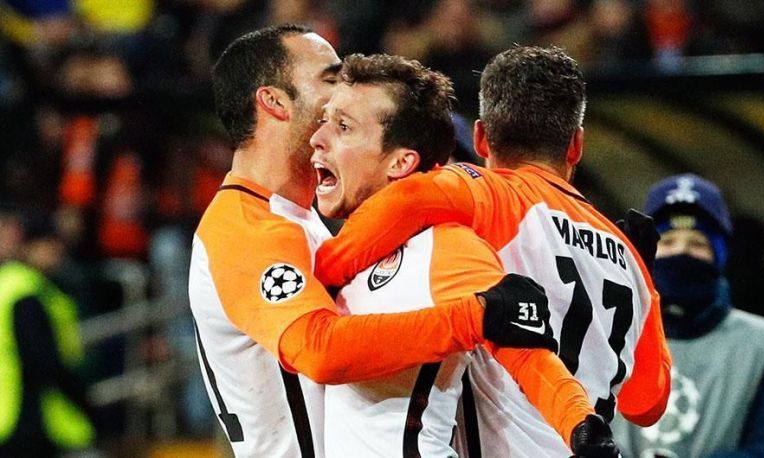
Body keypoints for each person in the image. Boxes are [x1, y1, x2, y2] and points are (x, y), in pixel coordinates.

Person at [189, 25, 569, 457]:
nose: (342, 94)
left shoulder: (308, 221)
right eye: (330, 79)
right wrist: (474, 318)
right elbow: (320, 350)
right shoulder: (243, 227)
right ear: (273, 101)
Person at [313, 45, 672, 454]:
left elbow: (406, 200)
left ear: (481, 138)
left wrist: (325, 272)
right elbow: (646, 404)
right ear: (575, 145)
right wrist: (646, 281)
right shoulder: (630, 258)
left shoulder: (486, 194)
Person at [611, 173, 764, 457]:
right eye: (668, 241)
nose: (681, 252)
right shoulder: (607, 331)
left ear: (720, 256)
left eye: (697, 244)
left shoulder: (757, 344)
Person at [0, 205, 96, 456]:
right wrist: (84, 402)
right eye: (51, 245)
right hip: (22, 416)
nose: (58, 253)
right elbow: (44, 362)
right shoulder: (27, 292)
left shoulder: (8, 283)